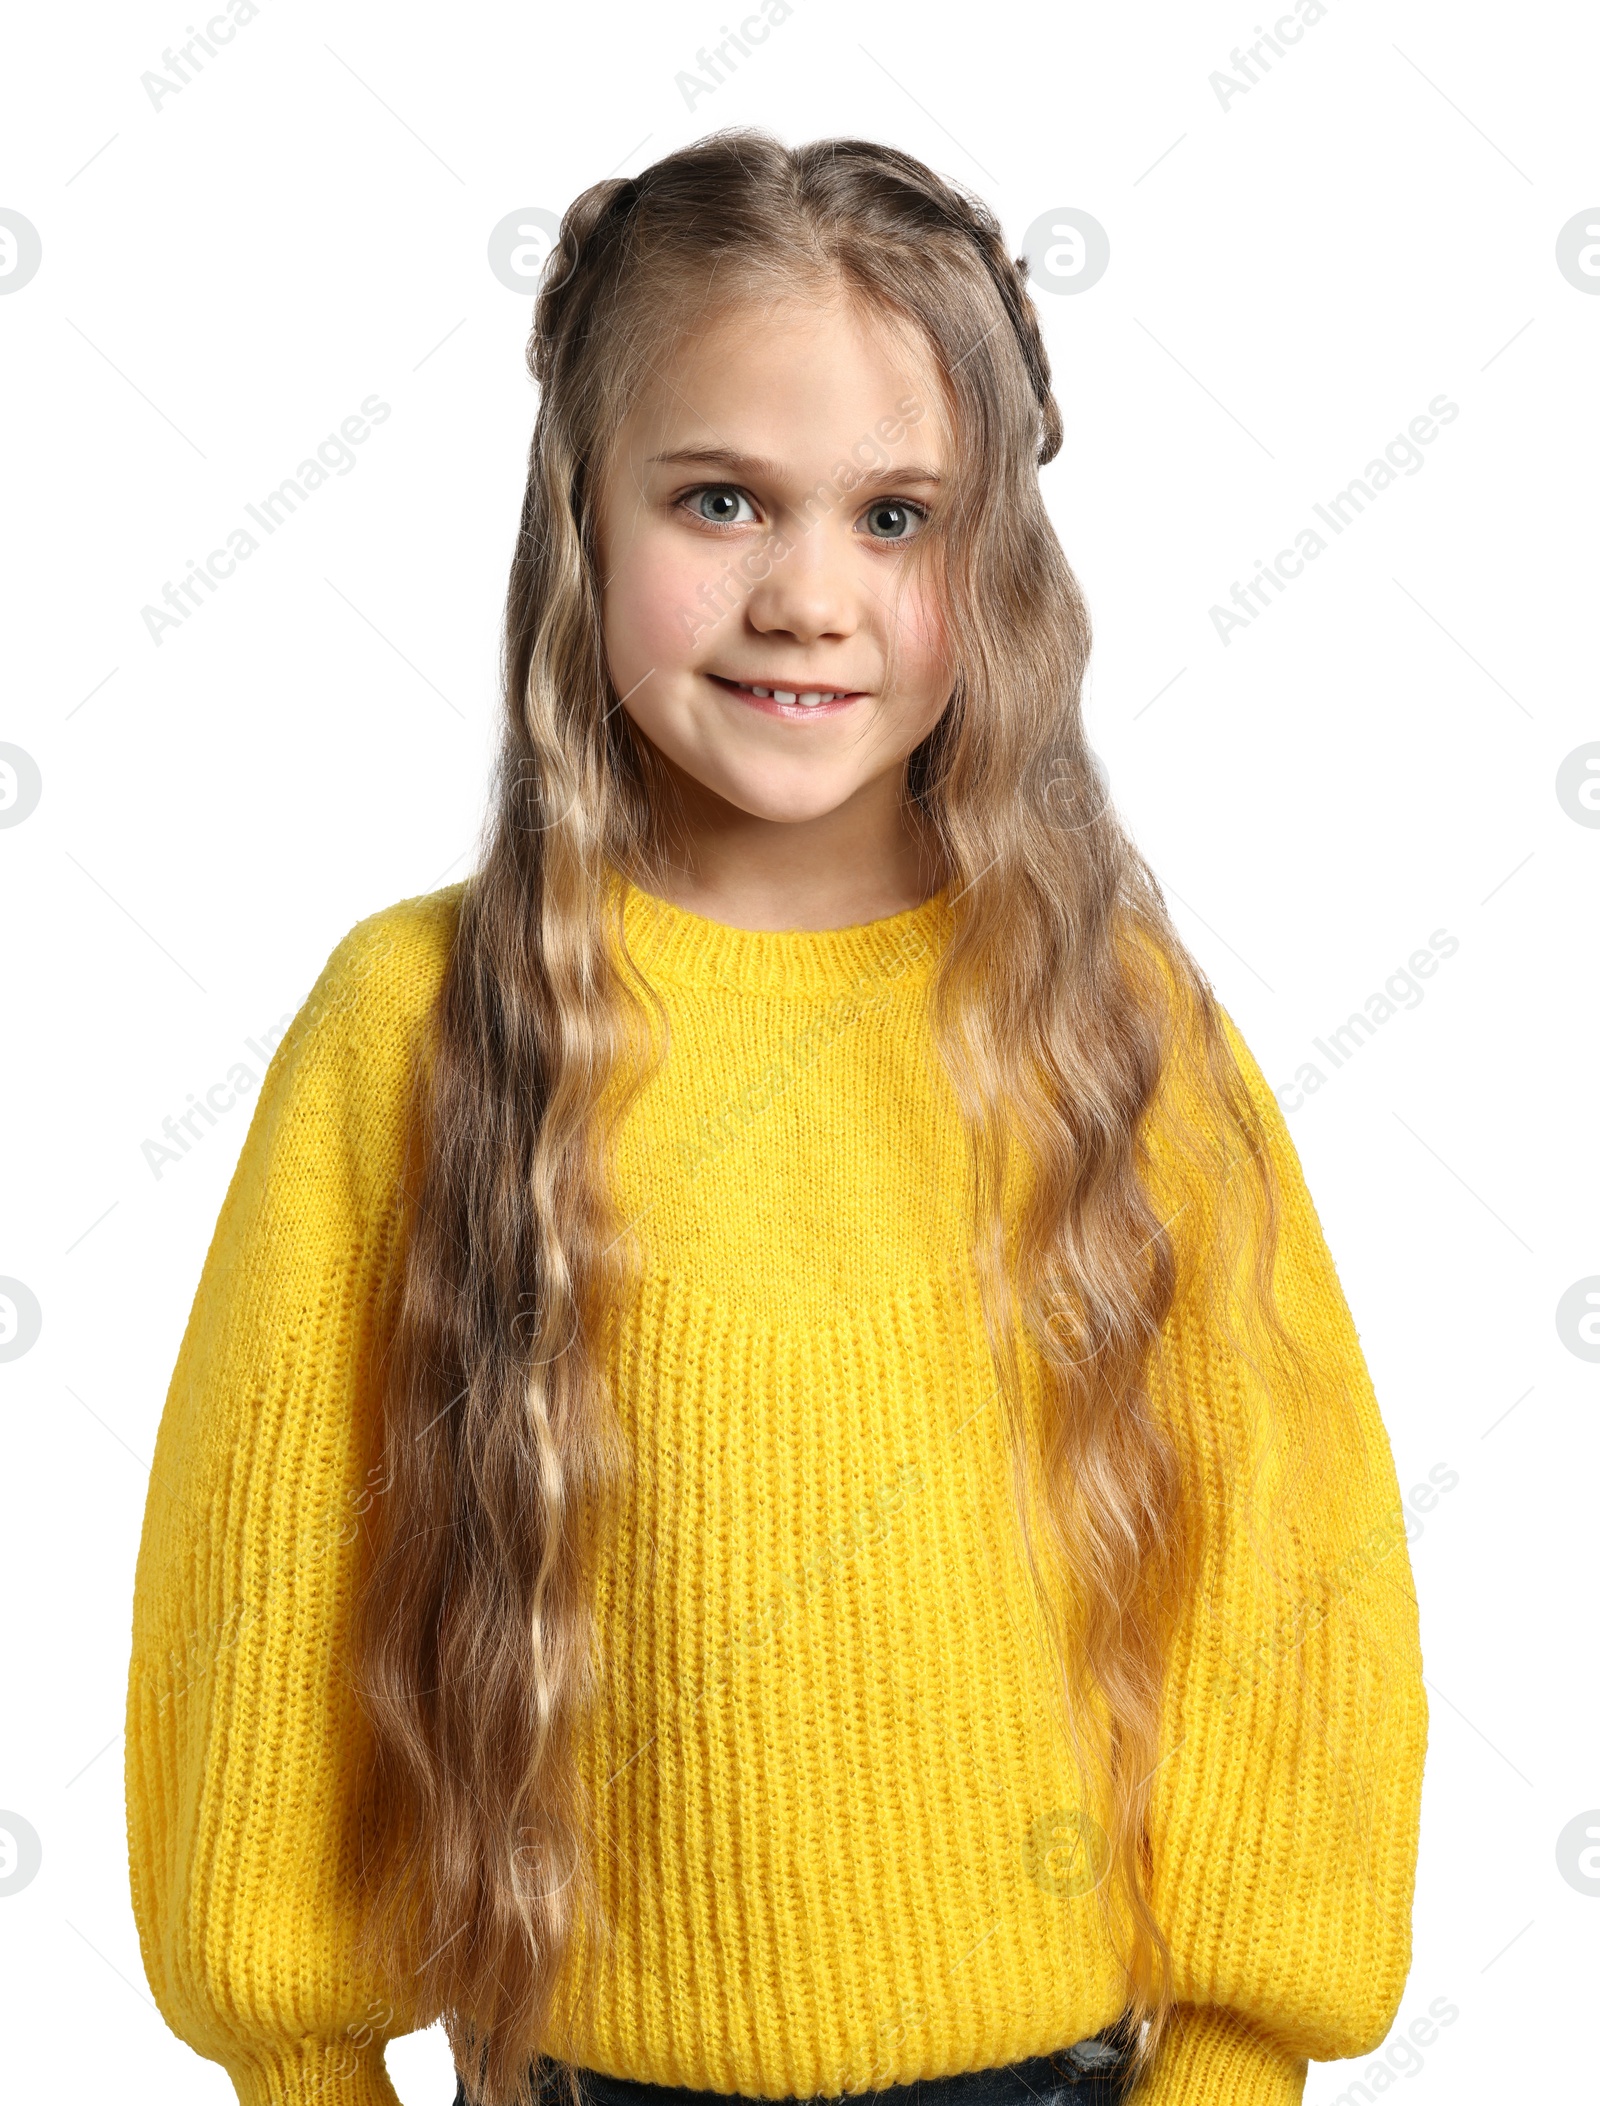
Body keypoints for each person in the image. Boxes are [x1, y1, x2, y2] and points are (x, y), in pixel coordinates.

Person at [124, 131, 1427, 2106]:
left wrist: (1233, 2063)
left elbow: (1281, 1571)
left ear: (990, 554)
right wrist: (305, 2066)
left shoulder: (1107, 1029)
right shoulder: (410, 1027)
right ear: (580, 508)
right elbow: (268, 1591)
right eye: (720, 499)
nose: (805, 593)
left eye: (894, 516)